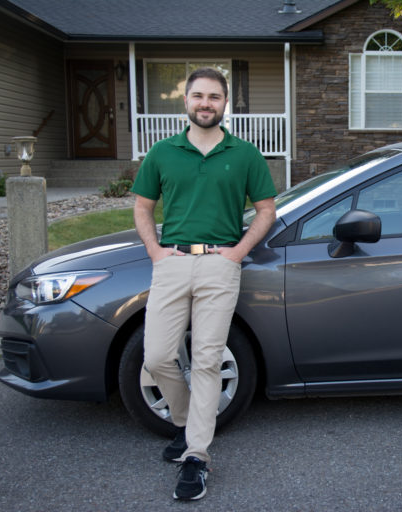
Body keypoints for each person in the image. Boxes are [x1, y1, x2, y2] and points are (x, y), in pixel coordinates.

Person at [131, 67, 277, 501]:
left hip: (220, 265)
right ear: (187, 101)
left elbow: (266, 210)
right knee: (157, 356)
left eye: (214, 96)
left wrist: (237, 253)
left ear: (225, 103)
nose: (206, 103)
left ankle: (196, 455)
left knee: (208, 359)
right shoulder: (162, 152)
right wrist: (156, 251)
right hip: (172, 262)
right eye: (198, 96)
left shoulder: (245, 153)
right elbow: (142, 208)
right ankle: (183, 422)